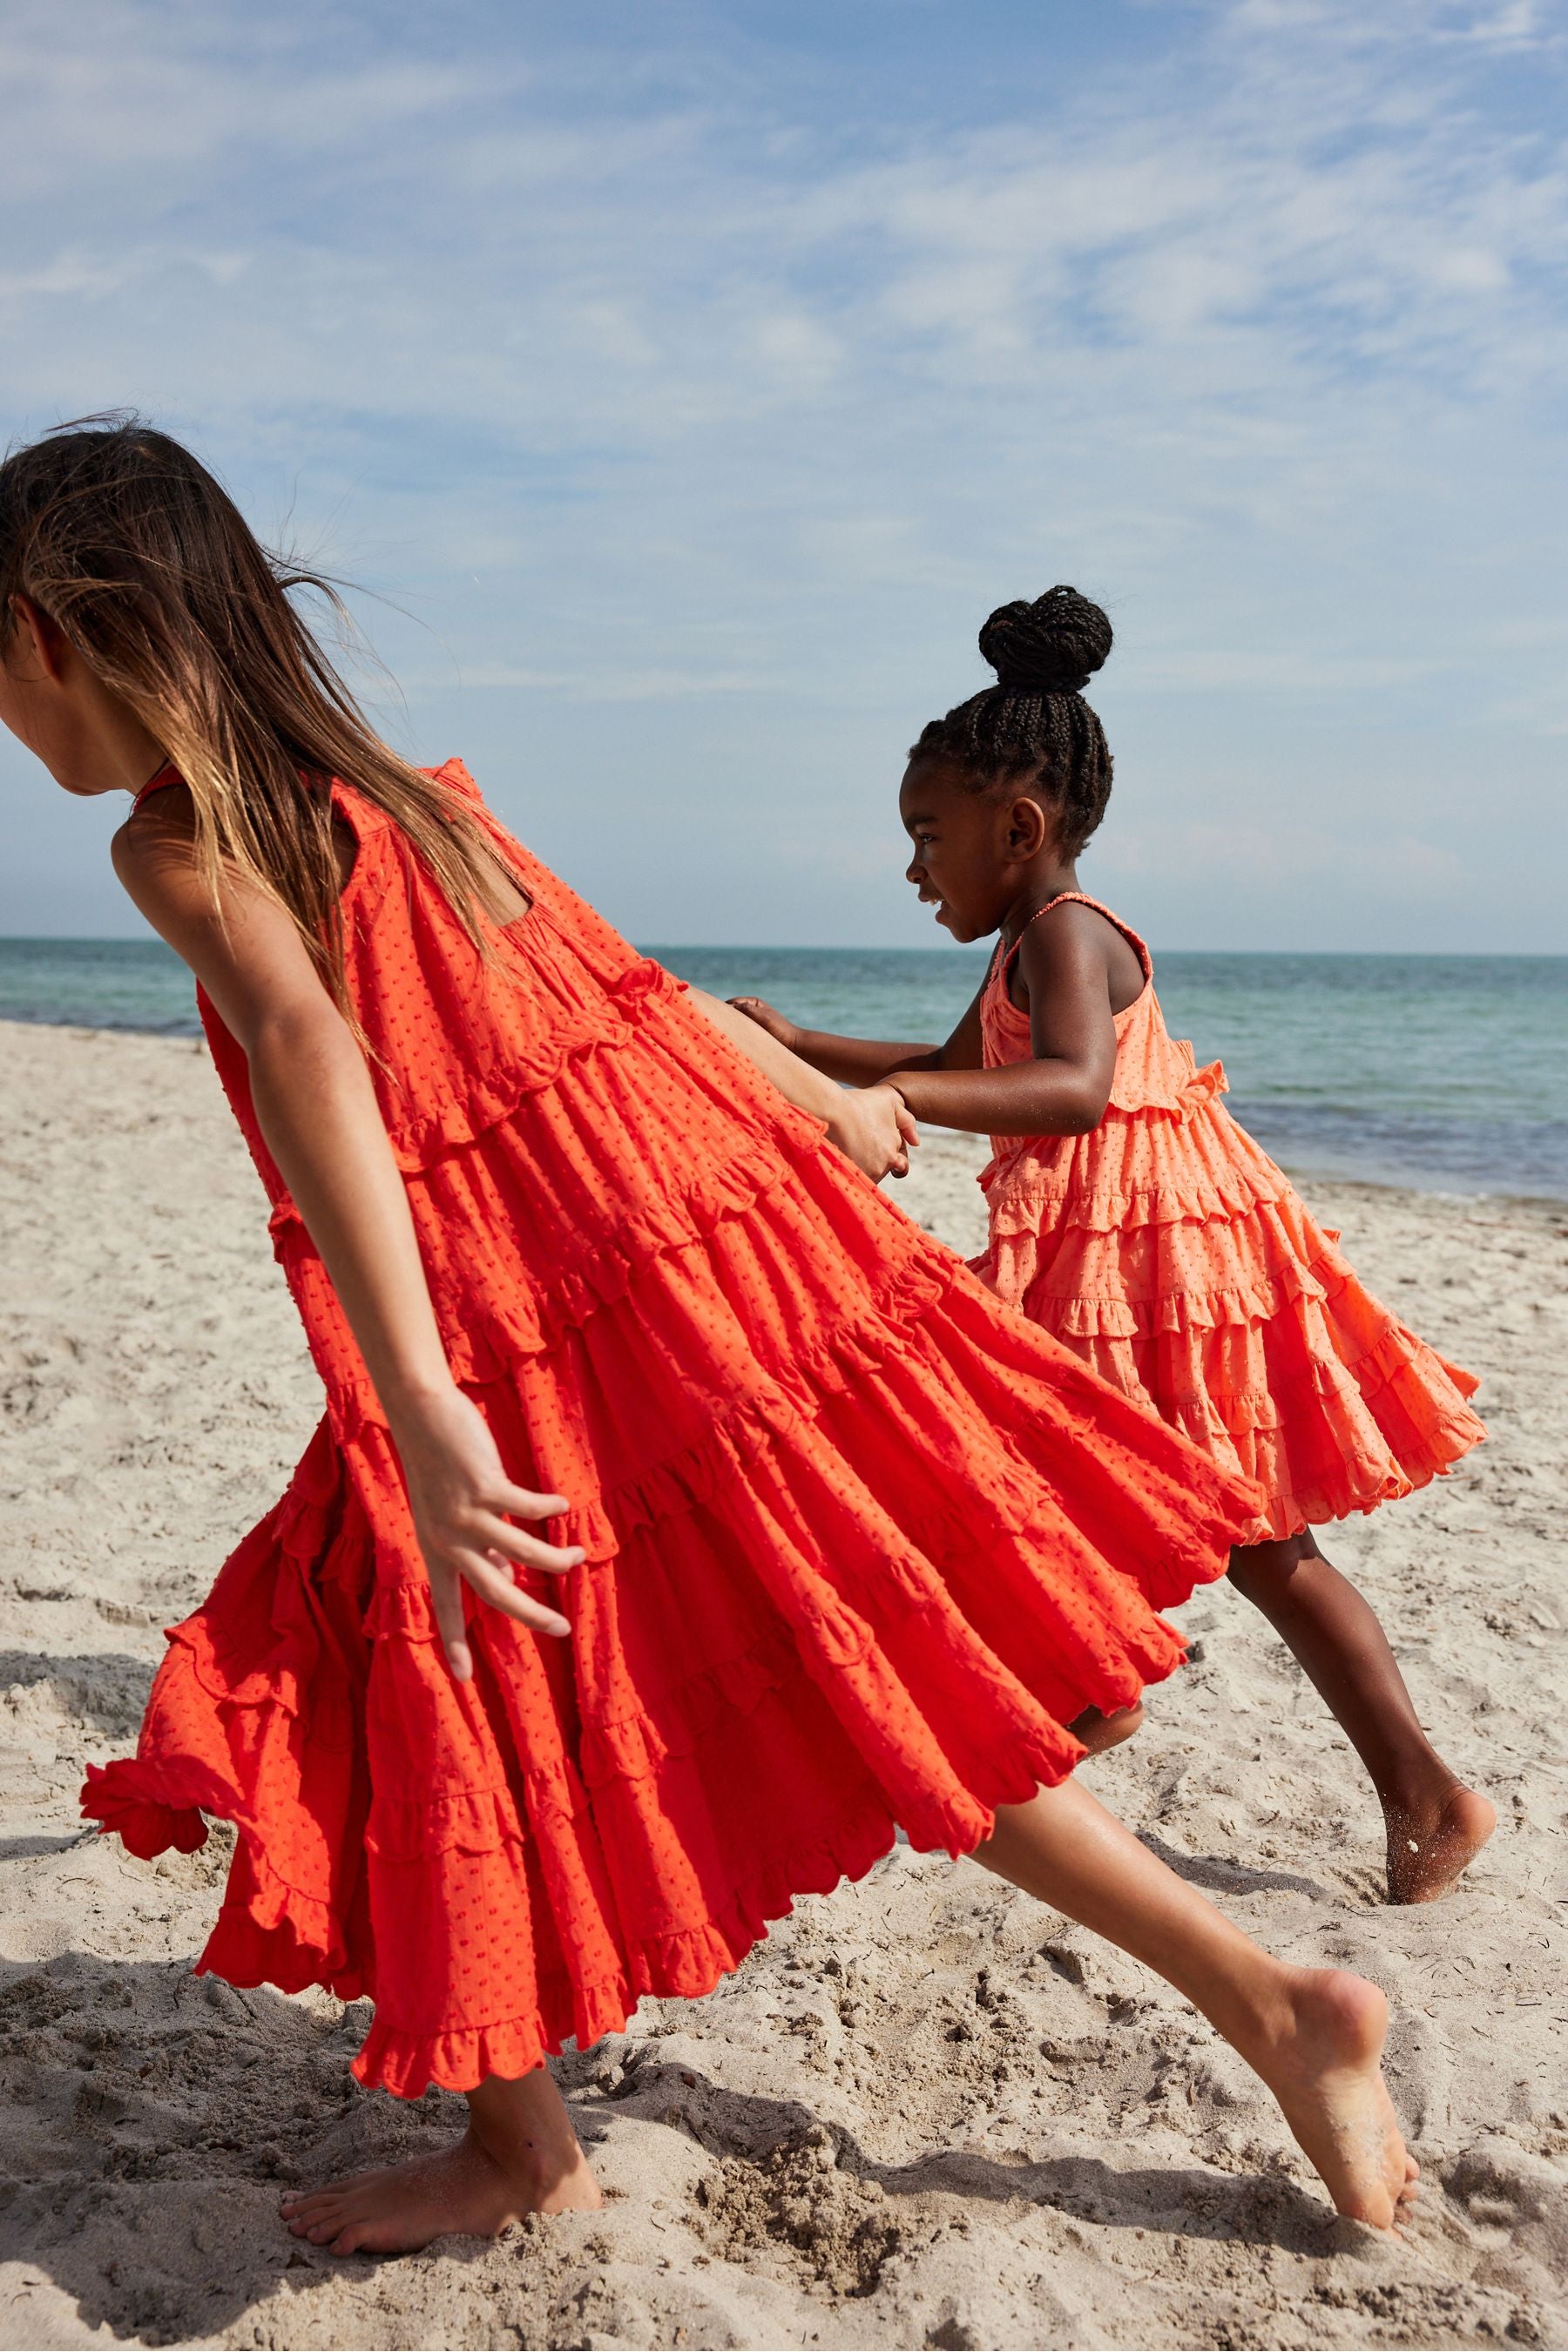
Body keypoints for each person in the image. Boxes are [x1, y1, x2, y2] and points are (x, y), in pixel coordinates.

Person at [2, 424, 1416, 2253]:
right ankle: (1268, 1996)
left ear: (51, 633)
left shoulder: (179, 843)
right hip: (669, 1258)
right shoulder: (412, 796)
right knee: (846, 1671)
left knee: (407, 1662)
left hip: (504, 1315)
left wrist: (420, 1392)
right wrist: (797, 1098)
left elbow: (307, 1050)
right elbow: (625, 985)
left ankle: (522, 2150)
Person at [734, 585, 1493, 1909]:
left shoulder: (1071, 937)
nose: (914, 868)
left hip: (1154, 1257)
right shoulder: (1025, 942)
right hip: (1117, 1248)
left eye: (927, 835)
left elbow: (1072, 1088)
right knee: (1203, 1524)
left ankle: (1112, 1702)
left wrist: (892, 1105)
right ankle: (1407, 1783)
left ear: (1016, 826)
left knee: (1207, 1522)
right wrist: (800, 1048)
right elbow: (965, 1064)